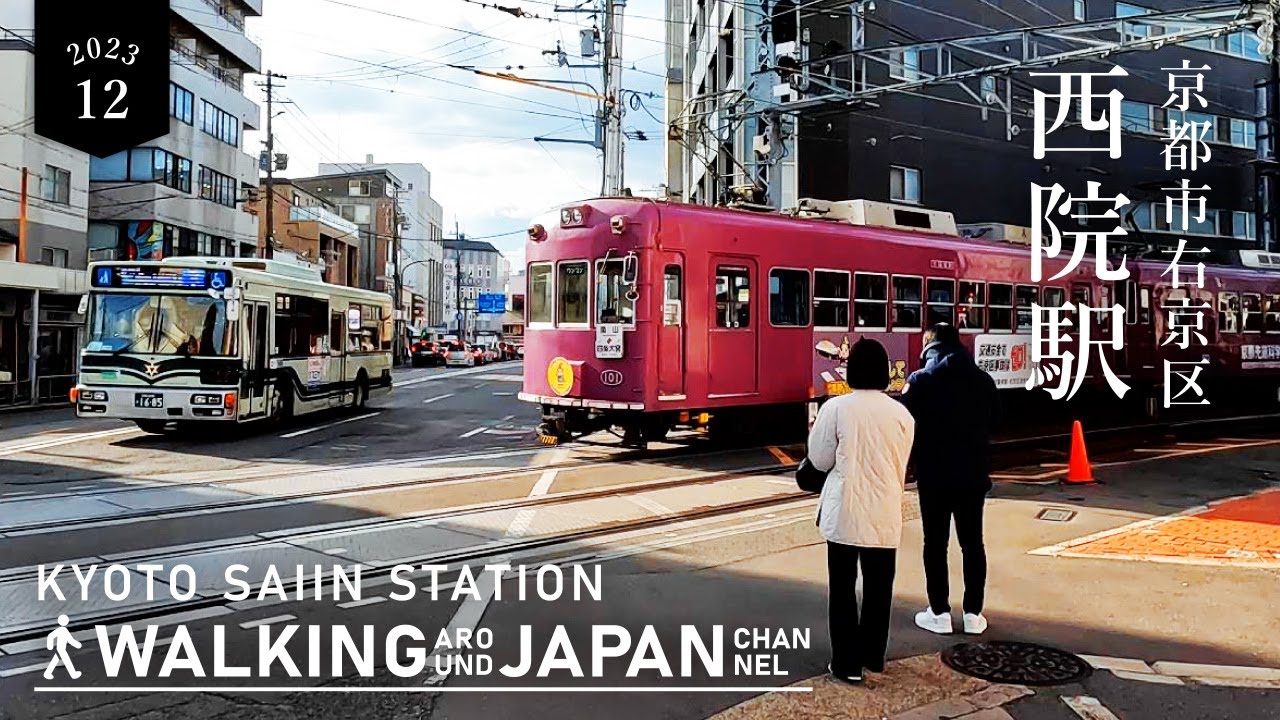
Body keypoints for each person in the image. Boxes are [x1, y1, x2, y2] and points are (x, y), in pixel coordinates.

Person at [808, 338, 915, 684]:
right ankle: (874, 656)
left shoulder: (836, 409)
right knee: (879, 589)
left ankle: (847, 665)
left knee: (842, 590)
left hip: (845, 514)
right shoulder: (902, 414)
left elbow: (819, 460)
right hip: (884, 513)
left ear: (851, 370)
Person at [899, 323, 1000, 636]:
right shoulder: (983, 381)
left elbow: (906, 426)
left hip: (934, 476)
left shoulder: (920, 380)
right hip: (973, 475)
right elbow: (995, 421)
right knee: (973, 544)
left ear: (929, 345)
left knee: (935, 544)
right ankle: (973, 613)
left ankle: (939, 612)